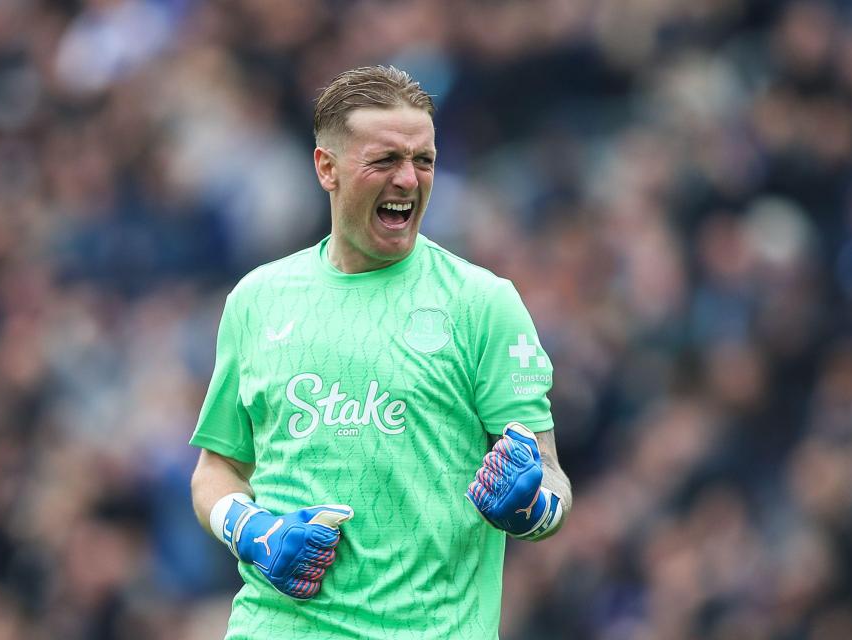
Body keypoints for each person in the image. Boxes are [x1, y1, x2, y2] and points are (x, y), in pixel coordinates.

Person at [189, 65, 572, 639]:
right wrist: (249, 529)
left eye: (424, 160)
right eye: (386, 160)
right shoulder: (257, 300)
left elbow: (551, 476)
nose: (409, 179)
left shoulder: (481, 304)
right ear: (327, 168)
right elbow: (216, 468)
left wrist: (533, 508)